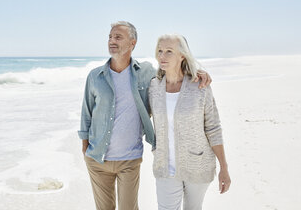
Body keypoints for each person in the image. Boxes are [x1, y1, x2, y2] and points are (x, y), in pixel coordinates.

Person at [78, 22, 211, 210]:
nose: (111, 41)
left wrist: (196, 72)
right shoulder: (95, 76)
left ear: (133, 43)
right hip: (97, 159)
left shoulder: (146, 72)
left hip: (129, 159)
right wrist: (86, 150)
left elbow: (173, 73)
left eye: (118, 37)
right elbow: (87, 113)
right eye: (110, 36)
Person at [148, 34, 231, 210]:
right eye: (160, 51)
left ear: (182, 55)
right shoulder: (153, 87)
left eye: (169, 51)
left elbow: (213, 128)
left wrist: (224, 167)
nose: (162, 56)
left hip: (197, 164)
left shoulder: (200, 86)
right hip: (164, 166)